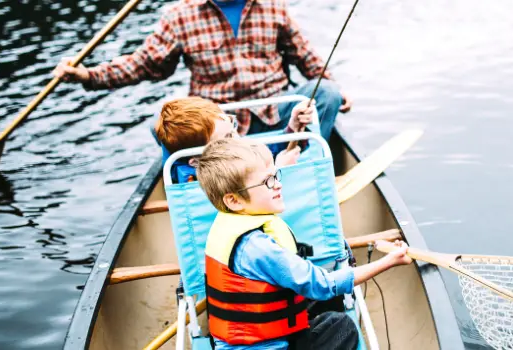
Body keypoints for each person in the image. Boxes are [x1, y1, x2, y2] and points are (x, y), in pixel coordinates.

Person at [195, 137, 412, 349]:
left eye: (275, 175)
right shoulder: (258, 247)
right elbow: (324, 285)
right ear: (233, 200)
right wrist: (390, 260)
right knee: (343, 326)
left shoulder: (227, 222)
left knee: (320, 311)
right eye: (268, 181)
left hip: (231, 344)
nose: (278, 184)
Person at [52, 0, 351, 142]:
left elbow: (304, 53)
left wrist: (334, 86)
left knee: (327, 94)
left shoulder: (272, 5)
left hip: (275, 111)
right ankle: (206, 182)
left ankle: (300, 159)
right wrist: (88, 76)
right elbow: (144, 64)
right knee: (160, 127)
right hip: (216, 123)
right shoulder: (180, 15)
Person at [153, 96, 310, 183]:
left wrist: (292, 128)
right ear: (196, 161)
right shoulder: (206, 184)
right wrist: (278, 171)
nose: (237, 137)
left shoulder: (229, 152)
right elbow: (249, 200)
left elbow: (257, 152)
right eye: (227, 137)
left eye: (232, 123)